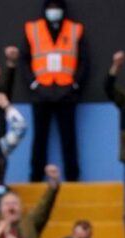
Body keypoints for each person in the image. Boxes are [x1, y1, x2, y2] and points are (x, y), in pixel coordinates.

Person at [17, 0, 86, 182]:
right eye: (50, 8)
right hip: (41, 92)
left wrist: (74, 85)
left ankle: (73, 178)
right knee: (40, 138)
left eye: (56, 8)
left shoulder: (74, 29)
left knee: (69, 138)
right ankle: (36, 177)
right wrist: (34, 85)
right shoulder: (33, 29)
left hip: (66, 92)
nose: (53, 11)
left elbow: (84, 61)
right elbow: (23, 60)